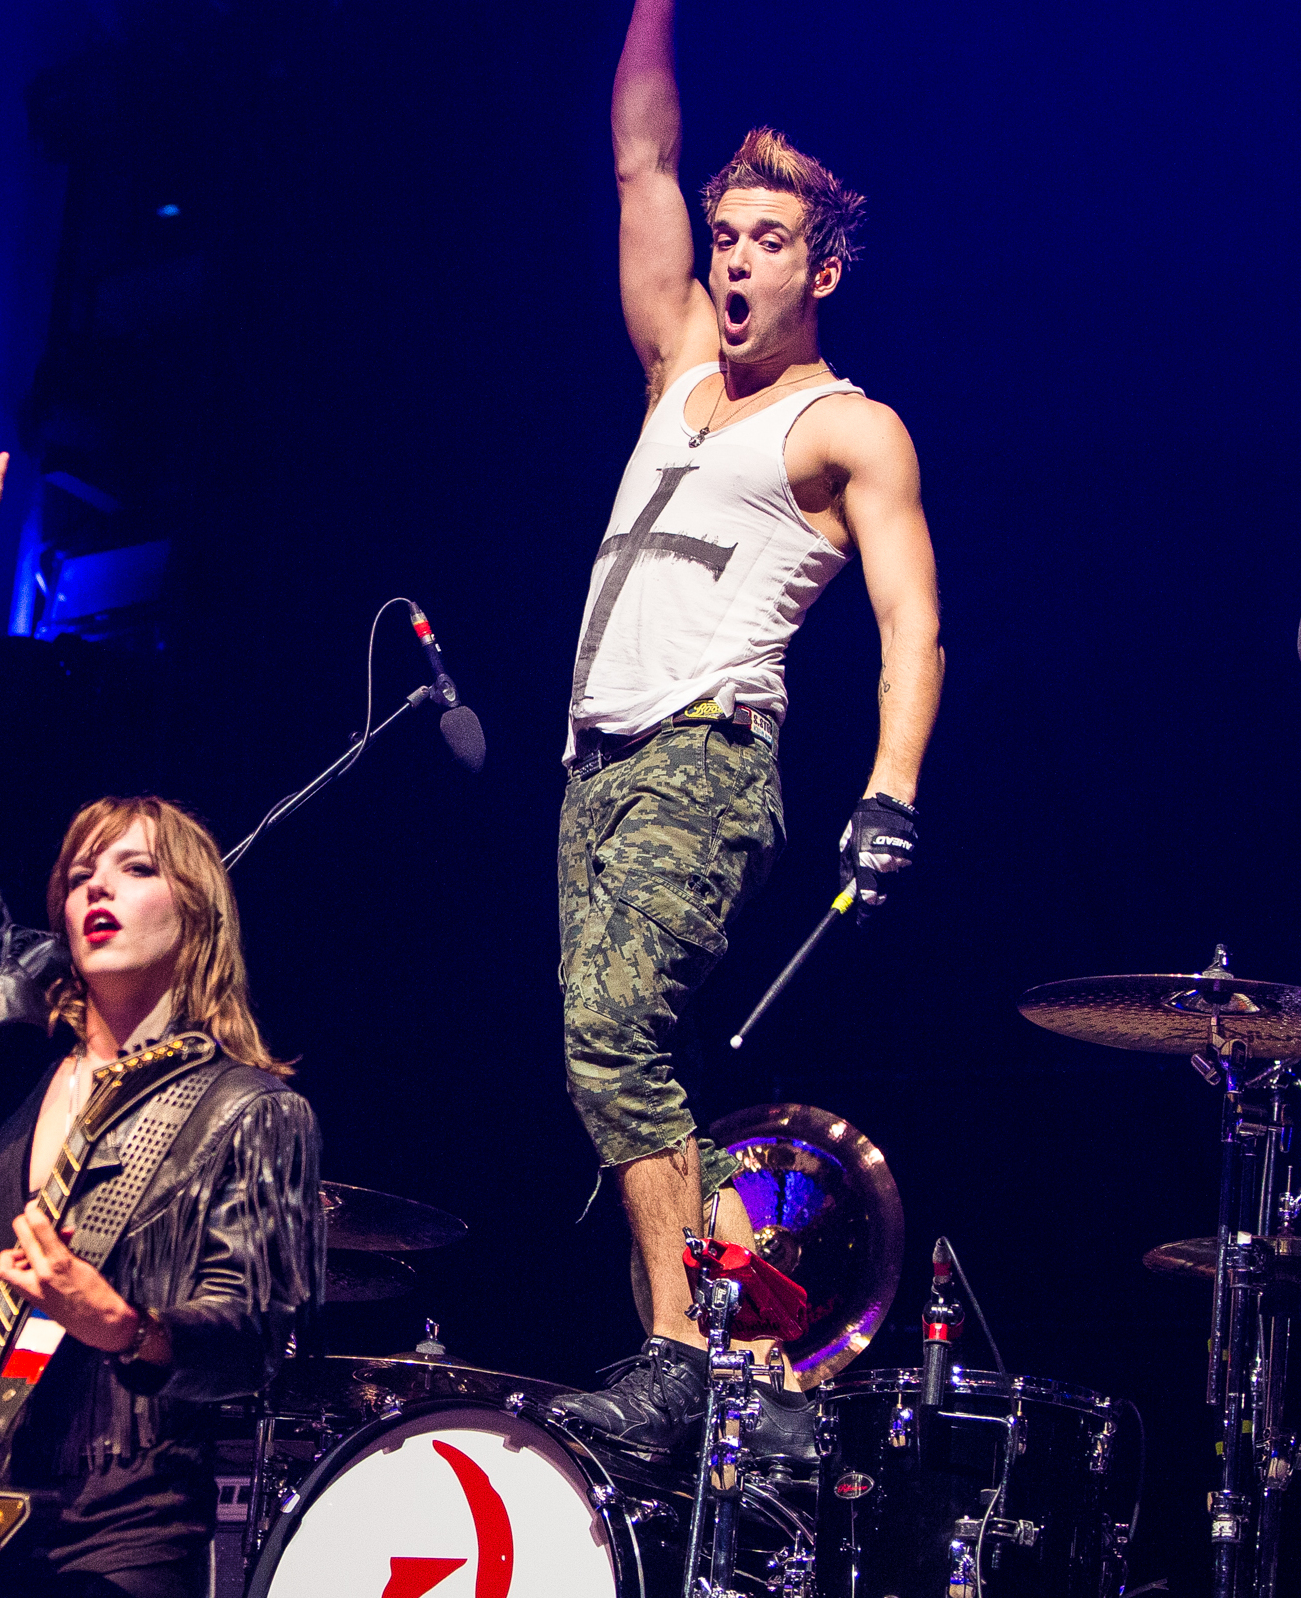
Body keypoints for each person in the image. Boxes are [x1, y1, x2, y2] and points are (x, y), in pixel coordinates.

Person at [546, 0, 945, 1456]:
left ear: (820, 268)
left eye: (765, 238)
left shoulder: (847, 427)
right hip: (592, 770)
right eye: (726, 234)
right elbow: (639, 158)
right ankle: (757, 1369)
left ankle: (672, 1357)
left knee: (609, 1034)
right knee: (628, 1069)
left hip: (703, 757)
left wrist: (888, 788)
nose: (730, 255)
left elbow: (913, 621)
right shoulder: (674, 368)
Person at [0, 455, 325, 1598]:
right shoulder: (7, 1010)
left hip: (119, 1525)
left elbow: (260, 1335)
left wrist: (119, 1322)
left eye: (129, 867)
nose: (90, 888)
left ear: (196, 907)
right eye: (78, 869)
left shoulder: (251, 1112)